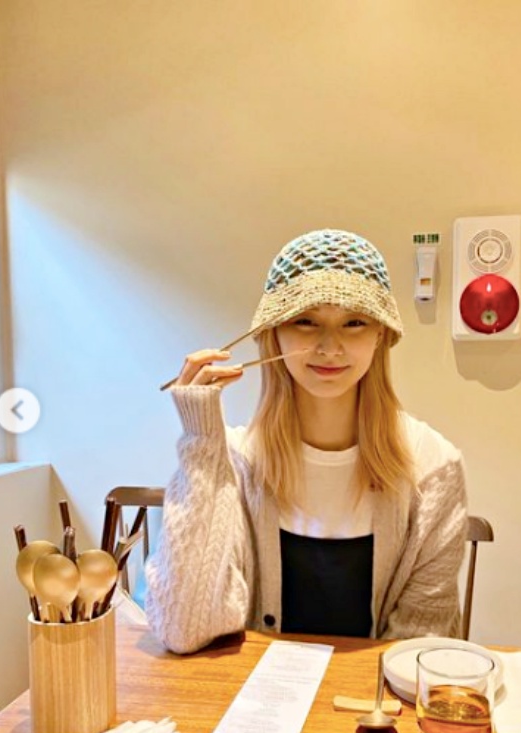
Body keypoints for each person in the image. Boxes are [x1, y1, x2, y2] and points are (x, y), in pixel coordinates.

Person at [145, 228, 468, 654]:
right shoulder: (233, 462)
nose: (330, 347)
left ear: (381, 335)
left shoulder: (433, 467)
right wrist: (201, 441)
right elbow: (182, 629)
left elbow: (419, 648)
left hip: (374, 695)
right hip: (254, 692)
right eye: (305, 321)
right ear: (274, 334)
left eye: (355, 322)